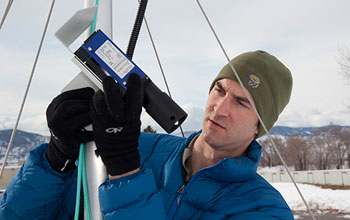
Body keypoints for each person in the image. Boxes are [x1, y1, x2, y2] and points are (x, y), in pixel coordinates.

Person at [0, 50, 294, 219]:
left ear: (260, 126)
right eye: (219, 89)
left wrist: (126, 172)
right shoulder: (135, 144)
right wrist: (57, 158)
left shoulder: (265, 209)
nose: (220, 108)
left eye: (241, 102)